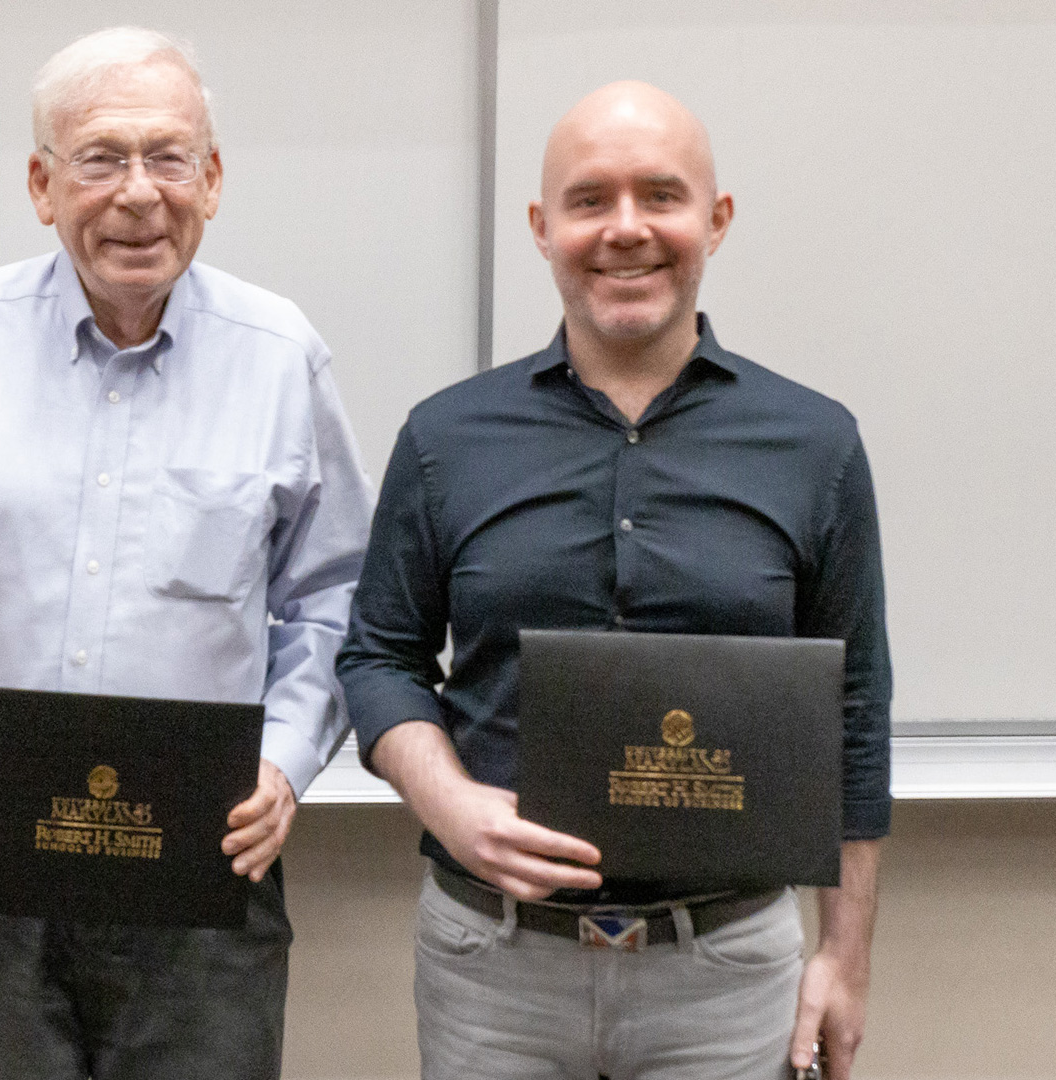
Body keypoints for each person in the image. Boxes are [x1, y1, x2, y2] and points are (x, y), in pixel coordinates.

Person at [0, 26, 373, 1080]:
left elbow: (334, 597)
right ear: (41, 182)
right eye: (101, 158)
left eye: (168, 157)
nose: (137, 194)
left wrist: (286, 766)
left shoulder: (281, 358)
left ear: (212, 180)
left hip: (202, 887)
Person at [336, 81, 889, 1080]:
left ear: (716, 221)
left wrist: (845, 956)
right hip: (491, 968)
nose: (625, 229)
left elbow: (855, 708)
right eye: (590, 200)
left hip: (724, 971)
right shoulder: (444, 438)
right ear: (544, 228)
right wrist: (447, 803)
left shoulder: (816, 444)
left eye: (661, 196)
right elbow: (379, 656)